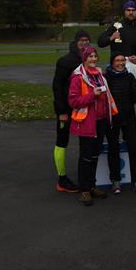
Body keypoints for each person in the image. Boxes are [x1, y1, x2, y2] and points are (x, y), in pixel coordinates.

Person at [67, 46, 118, 206]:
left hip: (101, 121)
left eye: (95, 56)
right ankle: (84, 190)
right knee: (86, 157)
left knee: (95, 155)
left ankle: (92, 186)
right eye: (90, 57)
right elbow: (73, 101)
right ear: (84, 59)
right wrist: (91, 95)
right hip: (87, 122)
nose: (94, 59)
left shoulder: (100, 76)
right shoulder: (78, 77)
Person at [51, 29, 91, 193]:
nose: (84, 43)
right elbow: (57, 86)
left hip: (82, 107)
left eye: (87, 40)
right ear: (75, 42)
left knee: (85, 141)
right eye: (81, 40)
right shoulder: (65, 61)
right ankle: (62, 178)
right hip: (67, 109)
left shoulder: (89, 59)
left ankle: (86, 176)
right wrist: (61, 110)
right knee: (62, 141)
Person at [104, 52, 136, 196]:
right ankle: (116, 180)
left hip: (129, 118)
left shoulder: (129, 77)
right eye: (117, 60)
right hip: (112, 119)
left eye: (123, 60)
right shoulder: (106, 77)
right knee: (113, 149)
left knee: (134, 148)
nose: (121, 63)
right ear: (112, 63)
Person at [97, 0, 136, 82]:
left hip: (135, 67)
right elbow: (100, 42)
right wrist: (111, 38)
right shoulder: (116, 26)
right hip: (118, 67)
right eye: (128, 10)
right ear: (124, 11)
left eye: (133, 10)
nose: (131, 12)